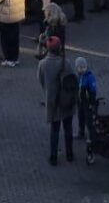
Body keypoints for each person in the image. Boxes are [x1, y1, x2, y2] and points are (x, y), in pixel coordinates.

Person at [38, 36, 77, 165]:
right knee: (68, 128)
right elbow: (73, 79)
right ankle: (69, 154)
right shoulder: (66, 63)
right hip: (66, 101)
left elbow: (41, 81)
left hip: (52, 101)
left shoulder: (43, 64)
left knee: (54, 130)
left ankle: (53, 156)